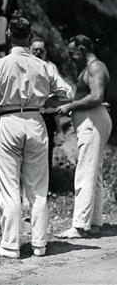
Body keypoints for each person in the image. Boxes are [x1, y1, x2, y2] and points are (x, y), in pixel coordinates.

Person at [0, 17, 73, 258]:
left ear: (8, 34)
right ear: (29, 36)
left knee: (9, 186)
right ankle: (39, 244)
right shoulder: (43, 65)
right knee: (38, 187)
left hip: (9, 119)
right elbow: (67, 93)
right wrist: (45, 101)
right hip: (36, 120)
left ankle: (10, 244)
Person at [56, 35, 112, 239]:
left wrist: (70, 106)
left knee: (85, 172)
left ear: (82, 48)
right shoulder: (90, 68)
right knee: (93, 172)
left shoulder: (95, 67)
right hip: (91, 120)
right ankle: (94, 222)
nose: (71, 57)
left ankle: (80, 225)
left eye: (73, 53)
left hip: (92, 121)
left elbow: (97, 96)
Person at [30, 39, 61, 177]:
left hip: (47, 114)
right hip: (30, 114)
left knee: (47, 149)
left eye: (41, 50)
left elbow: (56, 91)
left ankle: (47, 183)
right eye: (35, 50)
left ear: (45, 52)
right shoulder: (25, 65)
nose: (38, 53)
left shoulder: (50, 67)